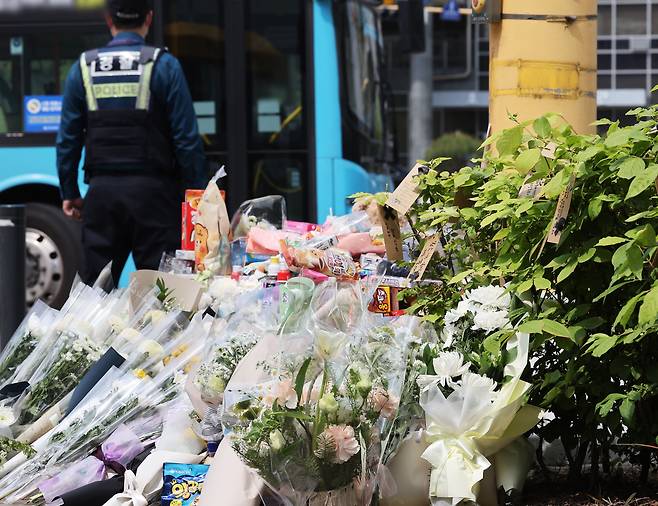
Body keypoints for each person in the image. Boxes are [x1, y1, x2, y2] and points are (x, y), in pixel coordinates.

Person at [57, 0, 208, 287]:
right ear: (149, 19)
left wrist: (70, 191)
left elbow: (68, 139)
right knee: (164, 293)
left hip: (102, 196)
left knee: (93, 294)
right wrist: (197, 197)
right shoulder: (164, 65)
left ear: (107, 19)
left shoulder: (84, 68)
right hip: (154, 198)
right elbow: (187, 140)